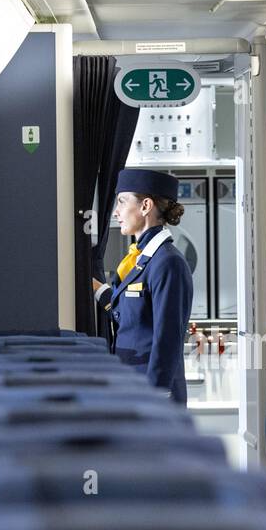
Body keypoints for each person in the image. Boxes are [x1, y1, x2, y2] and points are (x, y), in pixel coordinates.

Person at [93, 169, 193, 403]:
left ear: (145, 206)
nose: (116, 212)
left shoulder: (168, 262)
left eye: (122, 201)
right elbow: (131, 316)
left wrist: (156, 395)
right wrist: (97, 288)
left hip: (153, 391)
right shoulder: (142, 259)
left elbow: (167, 338)